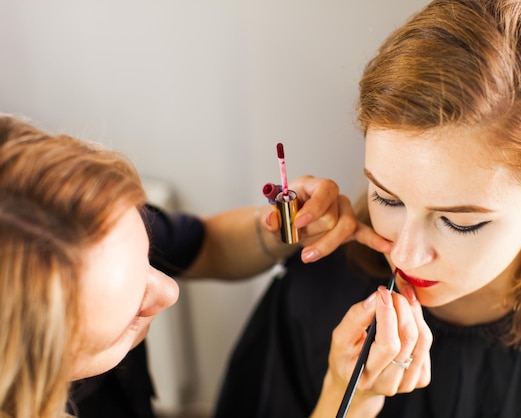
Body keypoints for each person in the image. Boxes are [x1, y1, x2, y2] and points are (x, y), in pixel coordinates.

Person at [214, 0, 521, 417]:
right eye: (387, 198)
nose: (404, 255)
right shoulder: (310, 296)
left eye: (459, 223)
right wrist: (347, 401)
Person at [0, 114, 392, 417]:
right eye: (128, 319)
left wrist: (285, 230)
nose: (170, 291)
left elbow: (208, 245)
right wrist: (349, 401)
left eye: (147, 253)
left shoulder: (56, 218)